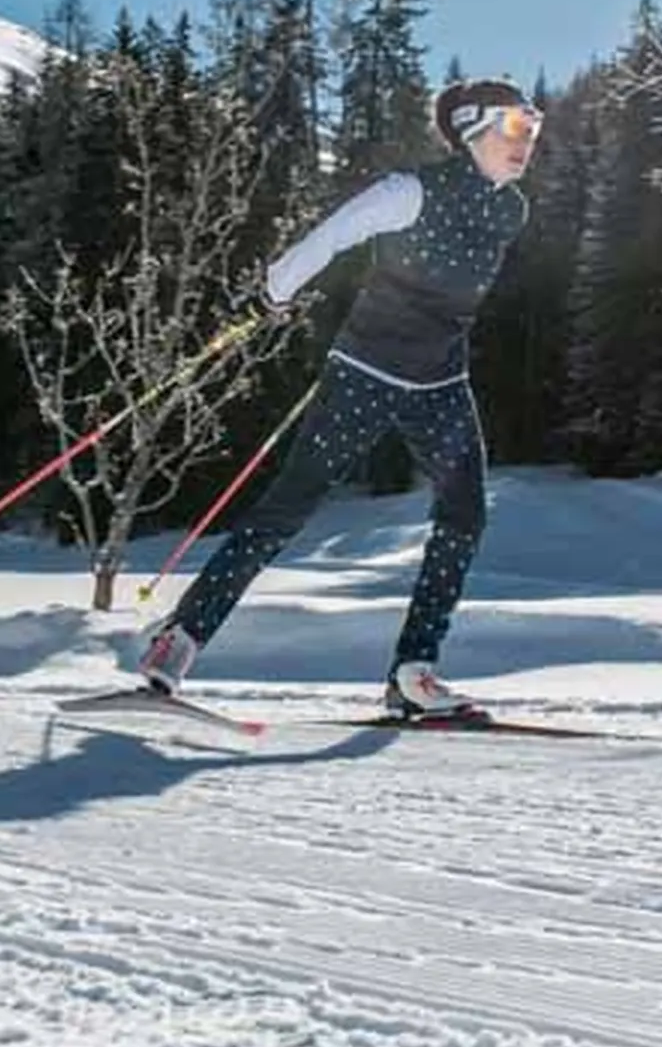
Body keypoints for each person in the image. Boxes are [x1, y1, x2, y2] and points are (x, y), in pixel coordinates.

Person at [139, 77, 542, 720]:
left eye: (536, 129)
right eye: (518, 127)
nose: (529, 142)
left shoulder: (509, 209)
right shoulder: (411, 191)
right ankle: (177, 642)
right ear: (473, 128)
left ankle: (413, 672)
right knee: (285, 513)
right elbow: (335, 233)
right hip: (363, 372)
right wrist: (275, 289)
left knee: (464, 515)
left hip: (440, 383)